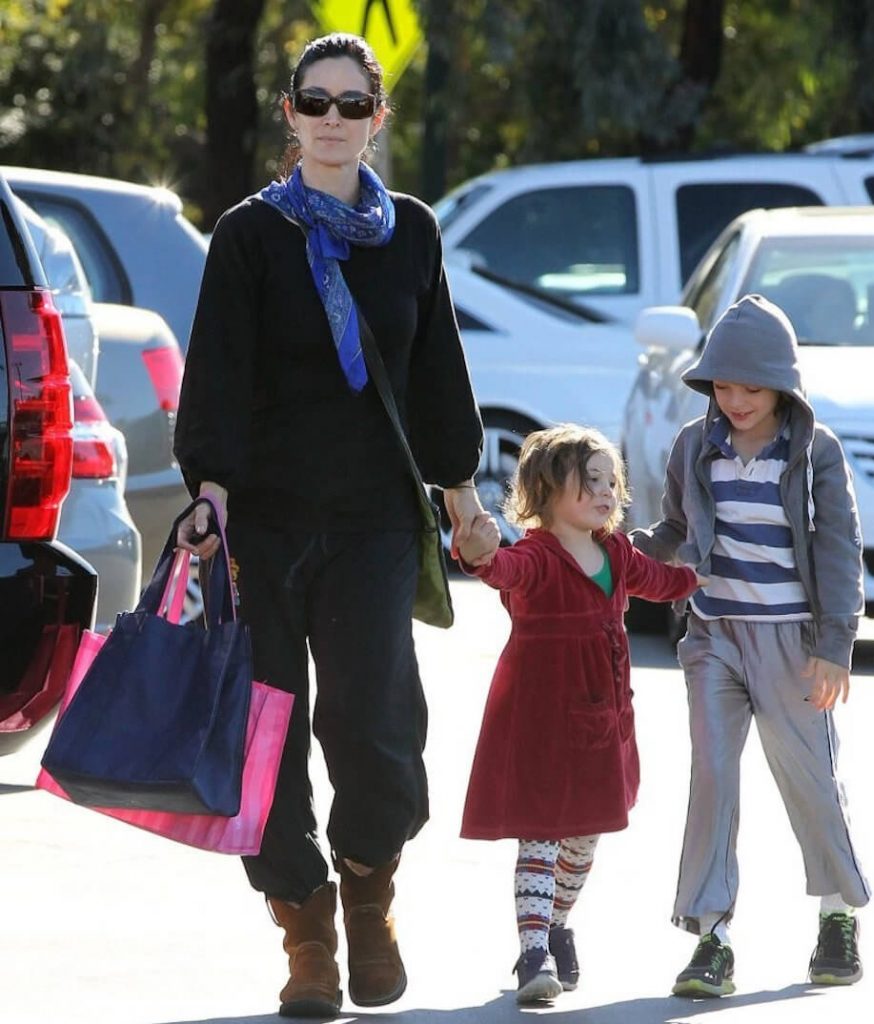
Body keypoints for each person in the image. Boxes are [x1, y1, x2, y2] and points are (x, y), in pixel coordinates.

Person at [172, 33, 488, 1019]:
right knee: (263, 735)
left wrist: (462, 496)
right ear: (291, 113)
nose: (335, 120)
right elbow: (216, 370)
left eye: (355, 105)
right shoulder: (248, 235)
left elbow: (435, 369)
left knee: (377, 727)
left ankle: (367, 889)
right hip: (262, 522)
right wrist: (210, 492)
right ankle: (304, 934)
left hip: (373, 525)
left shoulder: (413, 233)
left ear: (378, 118)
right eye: (318, 101)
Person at [630, 294, 870, 998]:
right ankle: (711, 936)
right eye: (722, 386)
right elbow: (673, 530)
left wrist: (834, 644)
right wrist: (617, 558)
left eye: (751, 387)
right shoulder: (691, 446)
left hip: (793, 644)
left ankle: (835, 915)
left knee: (810, 779)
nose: (734, 400)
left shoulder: (814, 452)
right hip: (712, 637)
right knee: (712, 778)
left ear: (782, 387)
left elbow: (837, 550)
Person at [455, 424, 704, 1004]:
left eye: (611, 481)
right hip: (540, 717)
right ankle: (534, 950)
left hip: (602, 717)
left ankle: (559, 923)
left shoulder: (616, 551)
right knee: (540, 834)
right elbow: (503, 571)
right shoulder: (537, 555)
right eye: (589, 481)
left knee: (585, 838)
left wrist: (701, 578)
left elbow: (660, 581)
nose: (606, 491)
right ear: (545, 491)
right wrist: (478, 553)